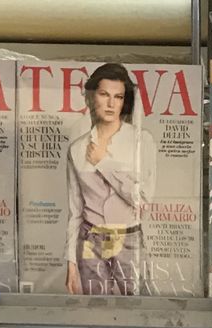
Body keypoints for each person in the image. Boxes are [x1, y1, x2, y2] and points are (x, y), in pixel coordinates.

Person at [65, 63, 155, 297]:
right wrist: (70, 264)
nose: (111, 103)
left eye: (118, 96)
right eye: (104, 94)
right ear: (91, 97)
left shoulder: (140, 141)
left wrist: (103, 163)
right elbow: (75, 210)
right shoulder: (77, 149)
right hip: (90, 239)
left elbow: (142, 198)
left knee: (138, 310)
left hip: (128, 238)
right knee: (96, 312)